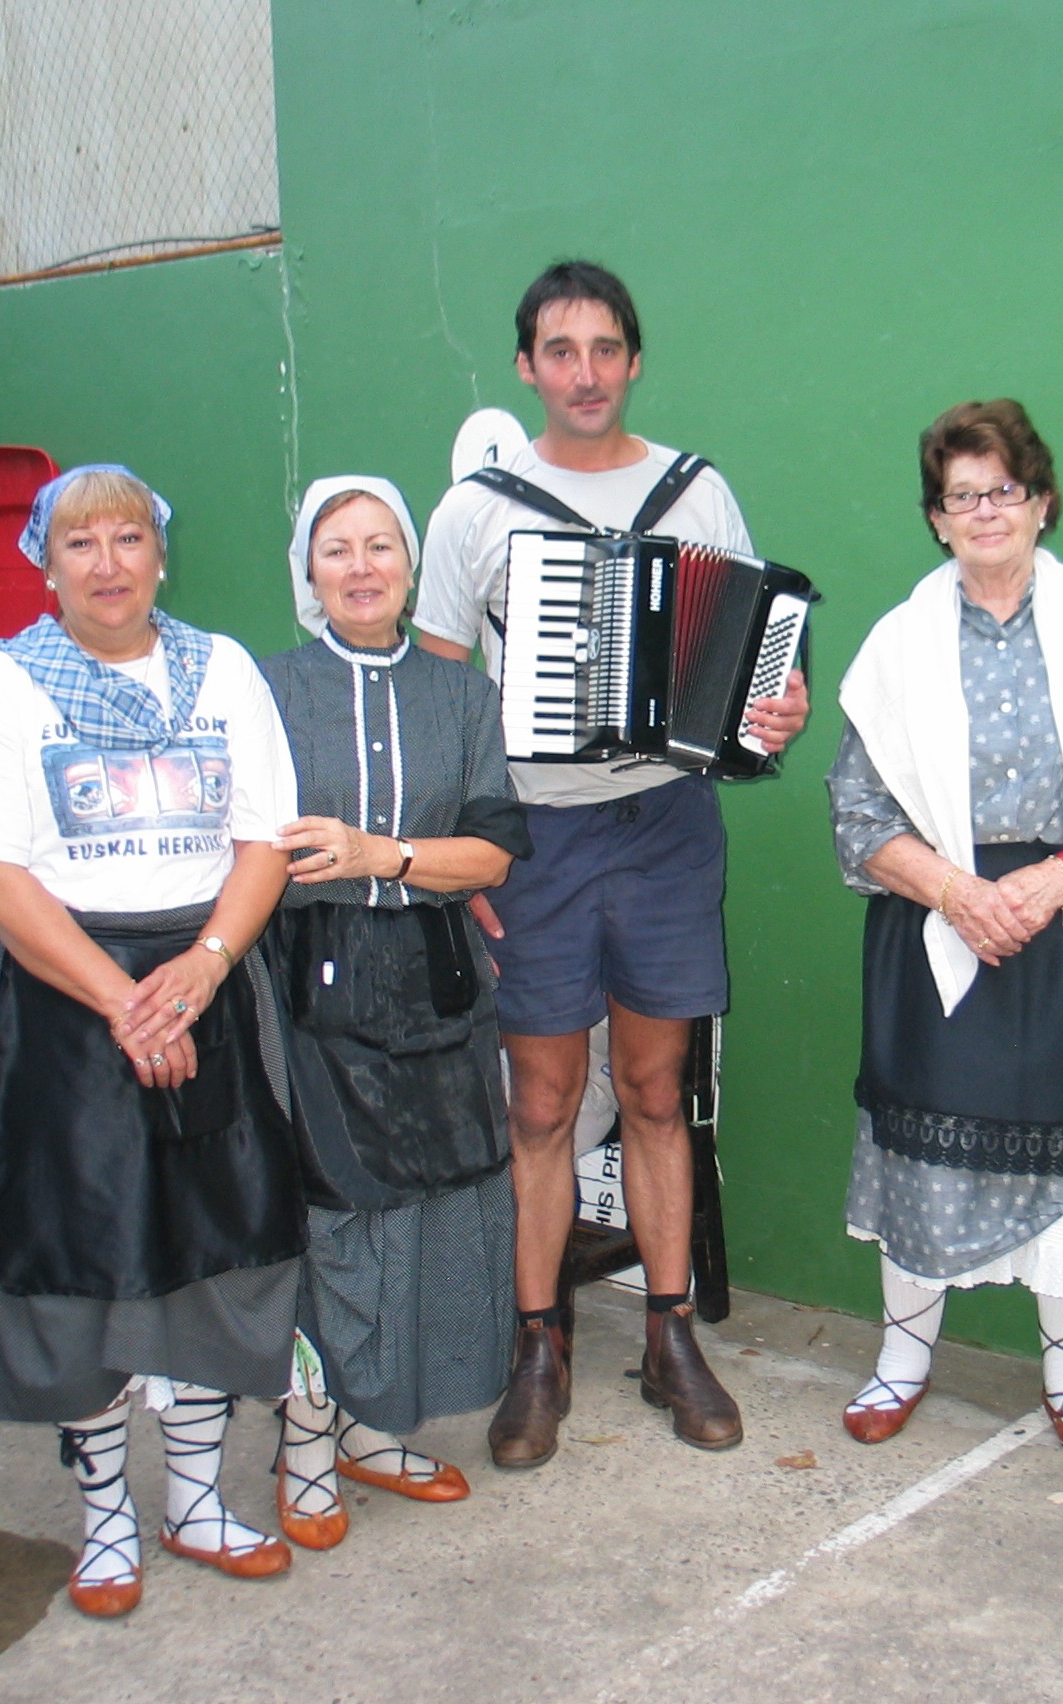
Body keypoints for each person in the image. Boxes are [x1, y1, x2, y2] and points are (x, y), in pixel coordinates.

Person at [413, 260, 810, 1466]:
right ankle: (540, 1350)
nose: (584, 372)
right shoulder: (474, 511)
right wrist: (465, 857)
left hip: (667, 827)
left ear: (634, 360)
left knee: (654, 1092)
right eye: (560, 350)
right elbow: (440, 695)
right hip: (535, 837)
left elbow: (751, 667)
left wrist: (772, 711)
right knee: (538, 1103)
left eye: (604, 348)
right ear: (527, 367)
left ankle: (668, 1337)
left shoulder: (697, 492)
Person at [0, 465, 304, 1618]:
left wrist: (199, 972)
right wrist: (122, 1002)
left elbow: (264, 842)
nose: (107, 563)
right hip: (61, 1000)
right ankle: (105, 1523)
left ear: (160, 553)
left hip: (207, 976)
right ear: (46, 562)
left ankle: (194, 1499)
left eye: (127, 537)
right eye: (79, 542)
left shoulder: (223, 670)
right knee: (77, 1262)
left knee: (212, 1248)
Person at [827, 399, 1063, 1457]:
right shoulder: (895, 647)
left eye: (1002, 490)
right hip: (937, 919)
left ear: (1040, 503)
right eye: (959, 496)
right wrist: (955, 892)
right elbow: (857, 814)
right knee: (922, 1148)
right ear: (936, 520)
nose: (983, 511)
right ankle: (901, 1359)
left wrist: (1058, 877)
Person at [258, 475, 531, 1549]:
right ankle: (308, 1439)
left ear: (412, 567)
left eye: (381, 546)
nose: (362, 566)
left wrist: (387, 856)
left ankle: (380, 1427)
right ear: (308, 572)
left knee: (429, 1207)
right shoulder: (269, 689)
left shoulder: (460, 698)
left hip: (437, 980)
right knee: (333, 1215)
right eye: (338, 549)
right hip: (309, 983)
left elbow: (494, 850)